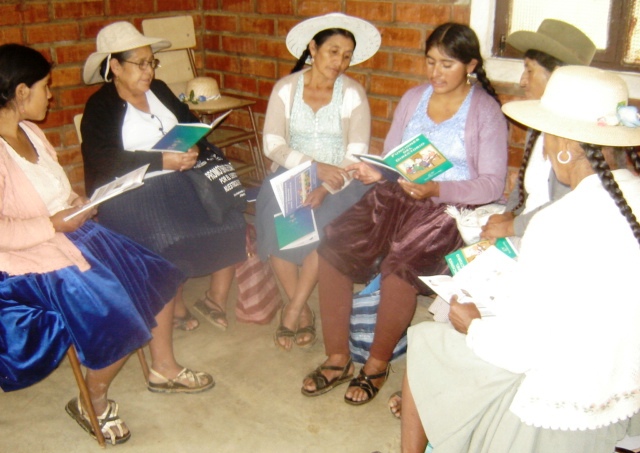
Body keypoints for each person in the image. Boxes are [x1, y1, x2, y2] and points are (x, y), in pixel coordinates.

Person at [401, 65, 640, 453]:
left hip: (561, 402)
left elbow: (520, 349)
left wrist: (473, 325)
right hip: (626, 387)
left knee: (427, 341)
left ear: (565, 144)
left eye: (547, 135)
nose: (543, 146)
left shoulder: (557, 222)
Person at [0, 44, 214, 445]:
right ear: (21, 92)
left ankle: (161, 368)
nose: (52, 95)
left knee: (154, 275)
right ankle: (92, 401)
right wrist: (52, 223)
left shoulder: (30, 131)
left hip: (65, 233)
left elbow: (52, 191)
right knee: (116, 313)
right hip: (26, 260)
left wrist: (75, 203)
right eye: (46, 87)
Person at [301, 23, 508, 405]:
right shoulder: (414, 98)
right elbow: (392, 158)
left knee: (402, 267)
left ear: (471, 66)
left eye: (447, 65)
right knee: (335, 244)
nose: (435, 73)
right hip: (398, 195)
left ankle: (376, 366)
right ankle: (337, 357)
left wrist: (436, 188)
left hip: (447, 208)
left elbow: (493, 184)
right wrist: (374, 171)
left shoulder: (485, 112)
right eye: (430, 62)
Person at [81, 21, 247, 332]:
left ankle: (214, 298)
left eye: (151, 63)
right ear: (115, 66)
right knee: (169, 237)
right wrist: (161, 161)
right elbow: (103, 160)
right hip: (131, 192)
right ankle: (176, 302)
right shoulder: (100, 106)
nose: (149, 71)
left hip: (180, 179)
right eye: (140, 63)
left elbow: (189, 123)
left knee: (232, 220)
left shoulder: (158, 90)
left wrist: (195, 147)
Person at [256, 13, 380, 351]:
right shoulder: (286, 88)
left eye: (347, 55)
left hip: (342, 180)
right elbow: (273, 144)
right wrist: (312, 167)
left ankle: (293, 308)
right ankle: (303, 311)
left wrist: (325, 185)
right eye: (333, 52)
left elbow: (356, 154)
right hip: (292, 172)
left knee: (320, 227)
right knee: (277, 219)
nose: (340, 62)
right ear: (313, 48)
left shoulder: (353, 94)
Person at [481, 19, 596, 243]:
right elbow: (524, 185)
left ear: (557, 76)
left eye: (529, 70)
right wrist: (508, 213)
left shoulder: (579, 138)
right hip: (527, 232)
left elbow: (564, 207)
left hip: (555, 240)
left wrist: (510, 227)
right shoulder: (538, 123)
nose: (522, 81)